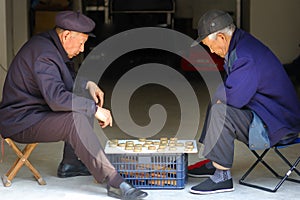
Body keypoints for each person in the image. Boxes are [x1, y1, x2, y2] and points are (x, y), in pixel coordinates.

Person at [0, 10, 147, 200]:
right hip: (20, 120)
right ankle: (115, 182)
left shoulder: (51, 44)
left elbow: (63, 80)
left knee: (84, 98)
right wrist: (95, 110)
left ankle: (71, 164)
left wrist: (88, 84)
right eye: (81, 43)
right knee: (74, 119)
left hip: (36, 112)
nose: (82, 49)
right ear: (66, 35)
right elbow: (56, 98)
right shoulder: (43, 55)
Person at [189, 9, 300, 194]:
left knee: (221, 111)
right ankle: (213, 160)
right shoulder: (239, 45)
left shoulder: (245, 55)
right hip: (269, 114)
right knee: (217, 100)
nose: (211, 51)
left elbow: (234, 100)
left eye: (210, 46)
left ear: (222, 38)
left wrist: (220, 100)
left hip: (278, 125)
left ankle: (222, 177)